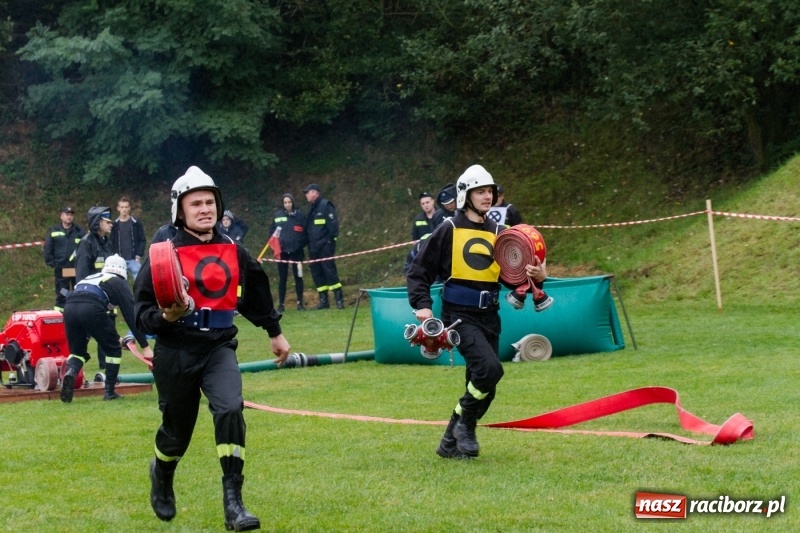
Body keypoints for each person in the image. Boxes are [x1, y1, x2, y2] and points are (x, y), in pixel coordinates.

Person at [134, 166, 290, 531]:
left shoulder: (234, 249)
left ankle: (234, 502)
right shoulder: (162, 252)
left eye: (210, 202)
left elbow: (256, 290)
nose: (205, 209)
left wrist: (274, 330)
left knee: (230, 408)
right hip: (175, 351)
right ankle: (162, 471)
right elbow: (141, 312)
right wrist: (167, 317)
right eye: (196, 203)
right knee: (176, 435)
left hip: (219, 347)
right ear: (180, 210)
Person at [406, 164, 548, 459]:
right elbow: (419, 270)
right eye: (481, 191)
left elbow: (514, 277)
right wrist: (422, 305)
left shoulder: (501, 232)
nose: (488, 196)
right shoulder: (448, 229)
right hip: (458, 316)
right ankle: (466, 426)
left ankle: (449, 441)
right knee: (490, 370)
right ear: (465, 196)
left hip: (490, 316)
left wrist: (538, 274)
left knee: (485, 385)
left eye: (490, 191)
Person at [60, 254, 153, 403]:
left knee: (77, 352)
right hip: (91, 307)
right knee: (113, 350)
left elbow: (102, 326)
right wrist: (145, 346)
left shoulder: (92, 278)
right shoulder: (117, 282)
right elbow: (131, 314)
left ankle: (70, 372)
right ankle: (109, 392)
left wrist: (117, 338)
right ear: (122, 271)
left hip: (69, 308)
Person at [74, 205, 115, 370]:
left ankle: (107, 374)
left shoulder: (106, 242)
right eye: (107, 221)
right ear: (98, 222)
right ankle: (73, 370)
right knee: (84, 337)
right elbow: (82, 274)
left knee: (109, 336)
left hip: (107, 297)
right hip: (92, 298)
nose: (111, 223)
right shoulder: (87, 243)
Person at [303, 183, 344, 309]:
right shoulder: (311, 208)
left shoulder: (325, 205)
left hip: (325, 245)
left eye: (308, 192)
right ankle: (323, 301)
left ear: (315, 193)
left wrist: (330, 242)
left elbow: (333, 226)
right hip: (313, 246)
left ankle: (339, 300)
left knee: (329, 271)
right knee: (317, 273)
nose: (306, 195)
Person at [270, 193, 308, 312]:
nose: (287, 204)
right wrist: (276, 246)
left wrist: (299, 245)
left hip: (297, 251)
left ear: (293, 202)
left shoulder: (301, 216)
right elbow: (272, 234)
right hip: (282, 252)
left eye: (289, 202)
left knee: (299, 277)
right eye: (285, 202)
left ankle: (300, 303)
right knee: (283, 278)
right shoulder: (277, 216)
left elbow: (306, 234)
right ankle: (281, 304)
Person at [42, 206, 85, 312]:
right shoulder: (54, 230)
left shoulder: (79, 231)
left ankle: (77, 309)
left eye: (71, 215)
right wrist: (52, 263)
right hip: (61, 267)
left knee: (78, 288)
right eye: (67, 214)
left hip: (76, 267)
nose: (69, 217)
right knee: (62, 290)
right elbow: (48, 248)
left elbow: (85, 248)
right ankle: (61, 309)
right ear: (61, 216)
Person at [110, 196, 147, 280]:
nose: (124, 209)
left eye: (126, 207)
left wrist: (138, 256)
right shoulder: (114, 225)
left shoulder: (136, 223)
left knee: (140, 282)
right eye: (122, 207)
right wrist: (113, 256)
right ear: (118, 208)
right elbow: (111, 241)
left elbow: (142, 240)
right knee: (120, 284)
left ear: (129, 208)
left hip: (134, 259)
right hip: (119, 260)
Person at [403, 192, 437, 274]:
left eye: (427, 202)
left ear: (433, 201)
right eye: (423, 204)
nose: (426, 205)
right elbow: (415, 238)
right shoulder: (418, 219)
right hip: (423, 251)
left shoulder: (441, 215)